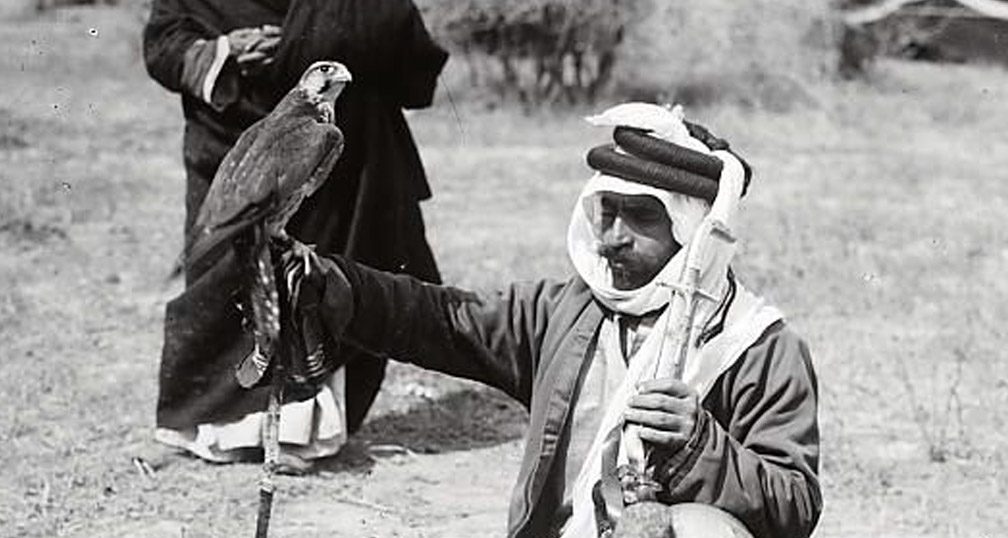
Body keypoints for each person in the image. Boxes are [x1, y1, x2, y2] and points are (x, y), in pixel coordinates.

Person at [280, 103, 822, 537]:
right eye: (606, 211)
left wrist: (700, 445)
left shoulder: (758, 347)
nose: (612, 237)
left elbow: (795, 504)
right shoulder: (567, 312)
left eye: (640, 217)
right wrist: (329, 283)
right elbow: (441, 319)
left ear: (695, 228)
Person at [142, 0, 448, 470]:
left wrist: (334, 35)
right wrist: (223, 52)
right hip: (233, 147)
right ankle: (209, 430)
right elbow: (164, 44)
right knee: (222, 291)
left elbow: (410, 56)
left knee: (323, 287)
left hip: (342, 160)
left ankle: (300, 433)